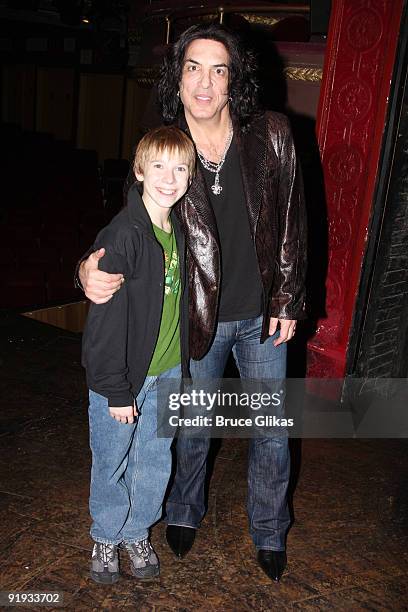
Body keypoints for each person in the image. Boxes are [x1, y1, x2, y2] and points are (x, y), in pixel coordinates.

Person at [78, 24, 307, 583]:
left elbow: (291, 223)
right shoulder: (167, 148)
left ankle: (270, 533)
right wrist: (87, 265)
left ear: (234, 80)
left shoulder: (271, 133)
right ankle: (181, 515)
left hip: (262, 320)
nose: (205, 82)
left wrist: (288, 297)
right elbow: (131, 226)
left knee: (272, 433)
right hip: (193, 321)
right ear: (177, 78)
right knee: (191, 430)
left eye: (218, 69)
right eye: (193, 68)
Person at [82, 126, 195, 584]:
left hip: (168, 372)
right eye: (159, 167)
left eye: (180, 167)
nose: (170, 178)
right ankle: (106, 534)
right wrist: (115, 389)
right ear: (139, 172)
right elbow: (103, 324)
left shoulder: (181, 231)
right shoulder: (124, 234)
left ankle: (135, 531)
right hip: (123, 377)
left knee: (155, 459)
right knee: (112, 460)